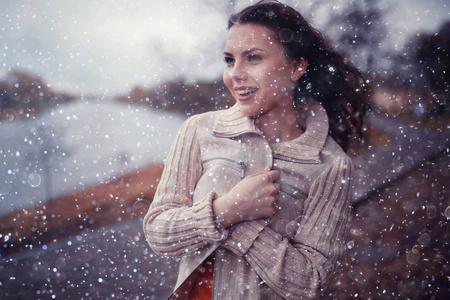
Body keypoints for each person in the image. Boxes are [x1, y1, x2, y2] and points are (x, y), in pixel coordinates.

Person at [143, 0, 370, 299]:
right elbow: (158, 233)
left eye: (252, 58)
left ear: (297, 66)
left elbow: (310, 281)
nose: (235, 74)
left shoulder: (330, 164)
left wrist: (243, 224)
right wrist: (226, 210)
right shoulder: (199, 130)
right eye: (229, 59)